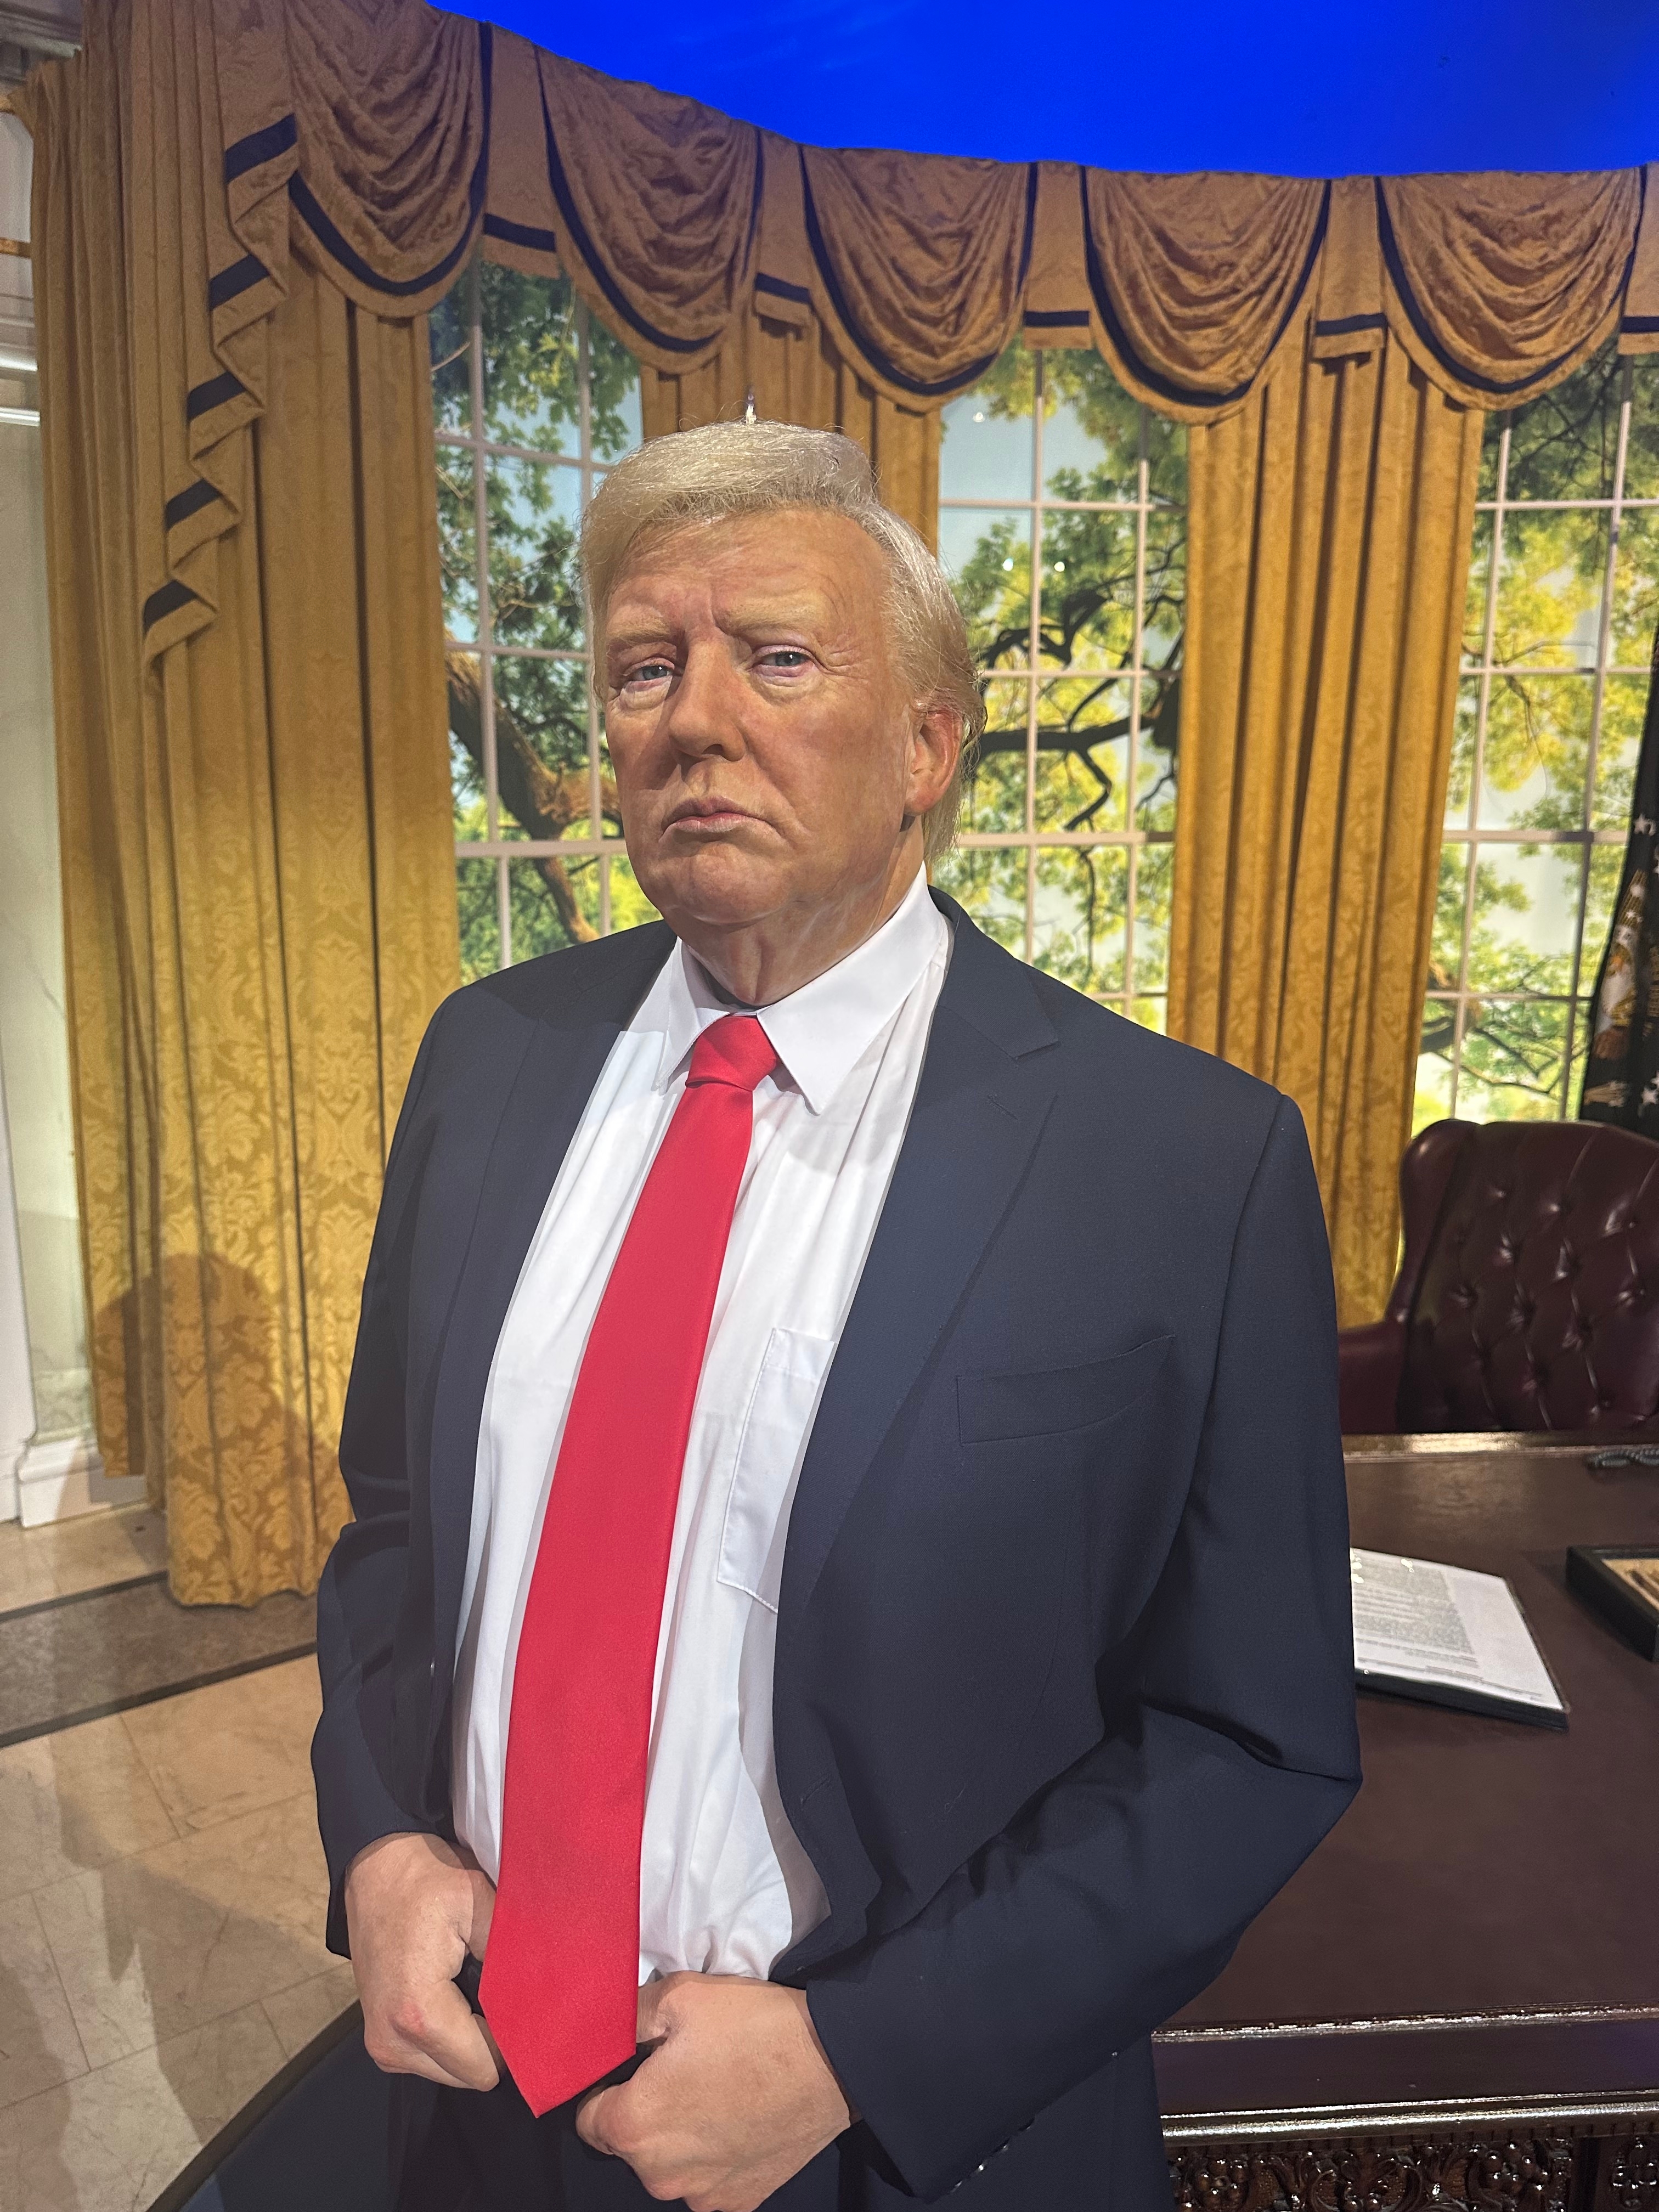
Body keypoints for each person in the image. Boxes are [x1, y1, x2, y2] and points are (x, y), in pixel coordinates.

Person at [312, 420, 1361, 2212]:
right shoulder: (486, 1064)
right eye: (645, 665)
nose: (694, 717)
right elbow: (397, 1541)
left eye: (778, 656)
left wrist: (857, 2059)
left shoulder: (1189, 1163)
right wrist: (381, 1846)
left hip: (896, 2146)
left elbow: (1251, 1741)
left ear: (928, 748)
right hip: (479, 2094)